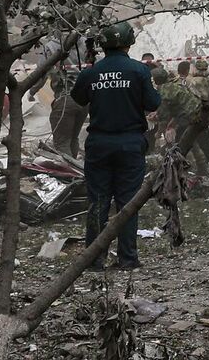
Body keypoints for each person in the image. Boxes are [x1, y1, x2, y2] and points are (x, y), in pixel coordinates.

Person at [71, 20, 161, 270]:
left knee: (98, 201)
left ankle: (94, 260)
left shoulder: (91, 72)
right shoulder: (139, 71)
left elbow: (78, 97)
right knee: (128, 202)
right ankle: (128, 259)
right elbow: (153, 103)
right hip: (130, 144)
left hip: (99, 143)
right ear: (129, 42)